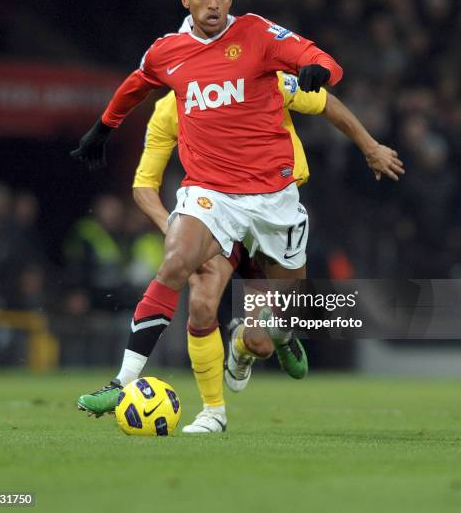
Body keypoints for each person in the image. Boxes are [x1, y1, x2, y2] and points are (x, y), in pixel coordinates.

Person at [72, 0, 404, 422]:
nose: (214, 4)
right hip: (212, 197)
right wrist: (102, 130)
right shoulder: (167, 61)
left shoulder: (258, 38)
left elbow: (321, 66)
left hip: (274, 197)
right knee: (177, 265)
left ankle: (281, 337)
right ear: (185, 0)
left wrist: (321, 73)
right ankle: (133, 385)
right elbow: (135, 86)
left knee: (276, 316)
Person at [133, 55, 403, 432]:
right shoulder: (168, 111)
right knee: (201, 301)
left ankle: (255, 340)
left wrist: (370, 147)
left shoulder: (263, 82)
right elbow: (144, 183)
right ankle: (213, 412)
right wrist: (174, 228)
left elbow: (325, 102)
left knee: (263, 338)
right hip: (217, 215)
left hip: (271, 213)